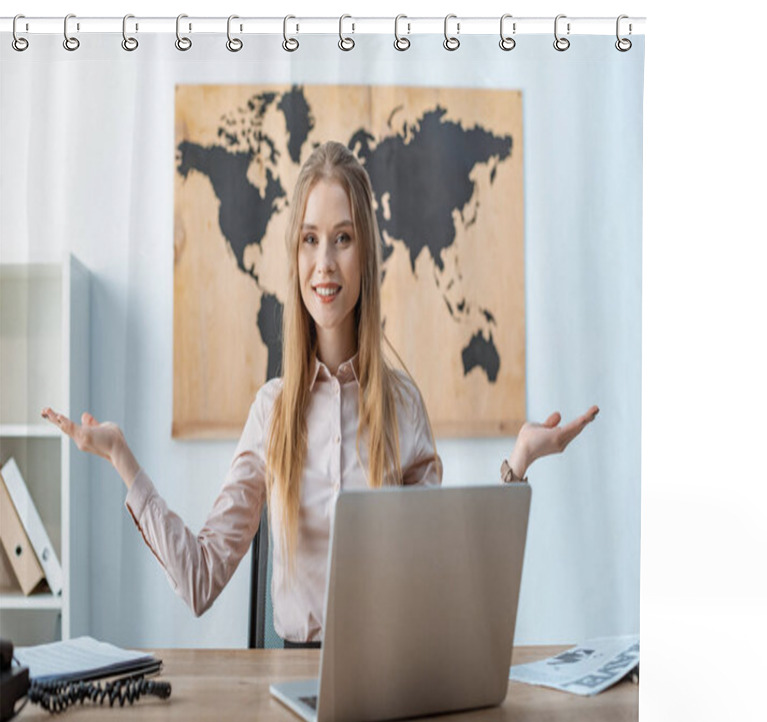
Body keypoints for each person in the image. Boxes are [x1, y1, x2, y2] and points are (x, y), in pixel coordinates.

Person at [42, 140, 598, 646]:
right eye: (310, 240)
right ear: (295, 256)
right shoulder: (272, 412)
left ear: (365, 257)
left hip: (390, 679)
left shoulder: (404, 407)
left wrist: (518, 462)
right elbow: (200, 579)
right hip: (293, 684)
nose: (325, 263)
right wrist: (122, 458)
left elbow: (450, 578)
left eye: (343, 239)